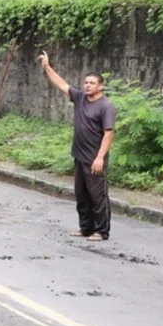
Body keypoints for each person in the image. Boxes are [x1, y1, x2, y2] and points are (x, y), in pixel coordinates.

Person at [38, 51, 116, 241]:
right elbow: (61, 84)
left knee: (98, 197)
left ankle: (102, 231)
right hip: (79, 155)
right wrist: (47, 67)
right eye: (86, 82)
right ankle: (86, 228)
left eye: (92, 83)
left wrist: (99, 158)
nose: (88, 86)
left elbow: (108, 133)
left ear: (101, 86)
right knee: (81, 194)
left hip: (95, 157)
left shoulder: (106, 106)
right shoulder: (80, 98)